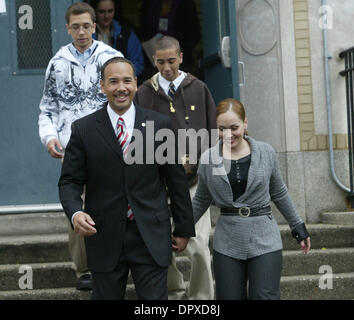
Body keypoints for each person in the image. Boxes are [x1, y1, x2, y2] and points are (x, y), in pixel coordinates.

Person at [58, 57, 195, 300]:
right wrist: (76, 212)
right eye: (113, 82)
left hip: (150, 235)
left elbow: (175, 181)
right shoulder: (83, 129)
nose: (121, 87)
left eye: (126, 81)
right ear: (102, 86)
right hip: (103, 236)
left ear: (135, 83)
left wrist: (183, 228)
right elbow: (69, 181)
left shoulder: (160, 124)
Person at [38, 2, 123, 291]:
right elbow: (47, 109)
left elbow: (126, 101)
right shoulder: (57, 63)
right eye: (76, 27)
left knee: (114, 202)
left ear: (94, 25)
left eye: (86, 25)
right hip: (72, 146)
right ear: (67, 28)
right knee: (76, 205)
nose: (82, 31)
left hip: (110, 144)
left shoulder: (112, 58)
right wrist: (50, 137)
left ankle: (118, 261)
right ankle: (85, 269)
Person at [192, 98, 311, 300]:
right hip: (227, 242)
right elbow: (201, 199)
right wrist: (181, 229)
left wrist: (297, 226)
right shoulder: (208, 159)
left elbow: (279, 192)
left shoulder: (266, 152)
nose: (228, 134)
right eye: (222, 129)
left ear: (245, 123)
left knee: (264, 296)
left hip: (265, 239)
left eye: (234, 127)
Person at [134, 36, 216, 300]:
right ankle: (172, 290)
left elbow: (212, 132)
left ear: (181, 57)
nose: (166, 67)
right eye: (160, 62)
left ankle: (201, 297)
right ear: (154, 61)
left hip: (194, 182)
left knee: (199, 244)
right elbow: (138, 136)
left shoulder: (198, 87)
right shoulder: (145, 92)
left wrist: (210, 170)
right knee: (159, 244)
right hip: (156, 182)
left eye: (171, 60)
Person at [139, 0, 201, 81]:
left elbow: (195, 34)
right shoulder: (147, 4)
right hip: (152, 62)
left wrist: (179, 49)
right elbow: (142, 32)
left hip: (181, 62)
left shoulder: (186, 4)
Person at [90, 0, 144, 77]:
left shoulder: (126, 33)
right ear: (94, 12)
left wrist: (123, 78)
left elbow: (137, 62)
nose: (106, 16)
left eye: (110, 11)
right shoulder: (87, 34)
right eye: (102, 12)